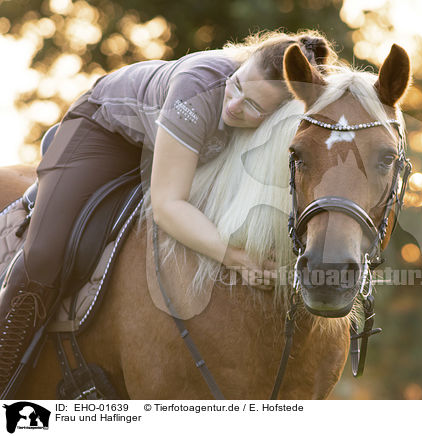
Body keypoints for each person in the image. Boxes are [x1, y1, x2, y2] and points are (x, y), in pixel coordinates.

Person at [0, 29, 336, 394]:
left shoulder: (271, 119)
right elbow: (167, 205)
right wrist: (234, 257)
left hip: (182, 143)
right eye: (237, 84)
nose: (235, 104)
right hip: (104, 132)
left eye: (254, 106)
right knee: (45, 254)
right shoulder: (198, 88)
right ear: (240, 65)